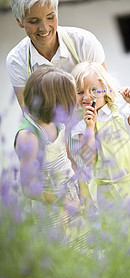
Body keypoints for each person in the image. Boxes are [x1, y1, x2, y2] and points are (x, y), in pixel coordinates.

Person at [71, 61, 130, 215]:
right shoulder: (81, 127)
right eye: (80, 92)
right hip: (108, 196)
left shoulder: (123, 112)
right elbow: (89, 161)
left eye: (93, 89)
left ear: (105, 88)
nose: (87, 96)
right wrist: (90, 128)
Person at [14, 66, 89, 246]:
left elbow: (68, 159)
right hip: (52, 208)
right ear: (54, 102)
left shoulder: (57, 122)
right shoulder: (29, 136)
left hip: (73, 198)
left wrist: (83, 190)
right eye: (70, 100)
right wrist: (64, 203)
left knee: (86, 249)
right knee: (65, 257)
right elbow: (28, 186)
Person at [6, 0, 106, 110]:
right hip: (54, 126)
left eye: (50, 17)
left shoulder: (84, 42)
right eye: (34, 21)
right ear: (19, 21)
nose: (44, 28)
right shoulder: (16, 61)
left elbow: (106, 95)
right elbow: (30, 113)